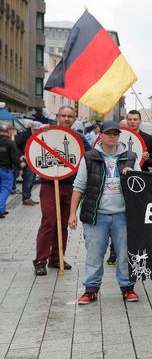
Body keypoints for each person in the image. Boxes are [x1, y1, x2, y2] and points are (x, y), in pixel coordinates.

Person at [68, 121, 141, 305]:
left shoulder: (131, 156)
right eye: (108, 133)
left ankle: (127, 288)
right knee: (94, 254)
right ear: (100, 134)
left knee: (125, 255)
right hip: (96, 215)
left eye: (116, 133)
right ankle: (91, 289)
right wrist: (72, 214)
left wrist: (132, 175)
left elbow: (142, 185)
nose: (112, 136)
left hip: (123, 215)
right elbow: (78, 187)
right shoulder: (89, 157)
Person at [33, 106, 92, 276]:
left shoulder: (79, 138)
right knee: (49, 221)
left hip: (70, 186)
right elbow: (33, 149)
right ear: (57, 117)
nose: (66, 119)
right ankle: (40, 260)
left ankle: (56, 257)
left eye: (70, 116)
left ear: (74, 119)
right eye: (63, 115)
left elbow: (91, 155)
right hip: (50, 185)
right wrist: (39, 133)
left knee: (63, 223)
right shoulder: (47, 133)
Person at [15, 121, 40, 206]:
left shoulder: (38, 136)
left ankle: (28, 197)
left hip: (33, 161)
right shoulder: (24, 135)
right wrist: (21, 155)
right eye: (35, 130)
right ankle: (26, 198)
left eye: (38, 130)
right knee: (28, 180)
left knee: (32, 180)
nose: (36, 131)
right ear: (31, 128)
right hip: (25, 161)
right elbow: (15, 145)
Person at [0, 125, 20, 218]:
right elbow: (15, 157)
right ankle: (0, 209)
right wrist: (19, 168)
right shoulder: (10, 143)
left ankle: (3, 209)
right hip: (5, 169)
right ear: (8, 132)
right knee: (5, 189)